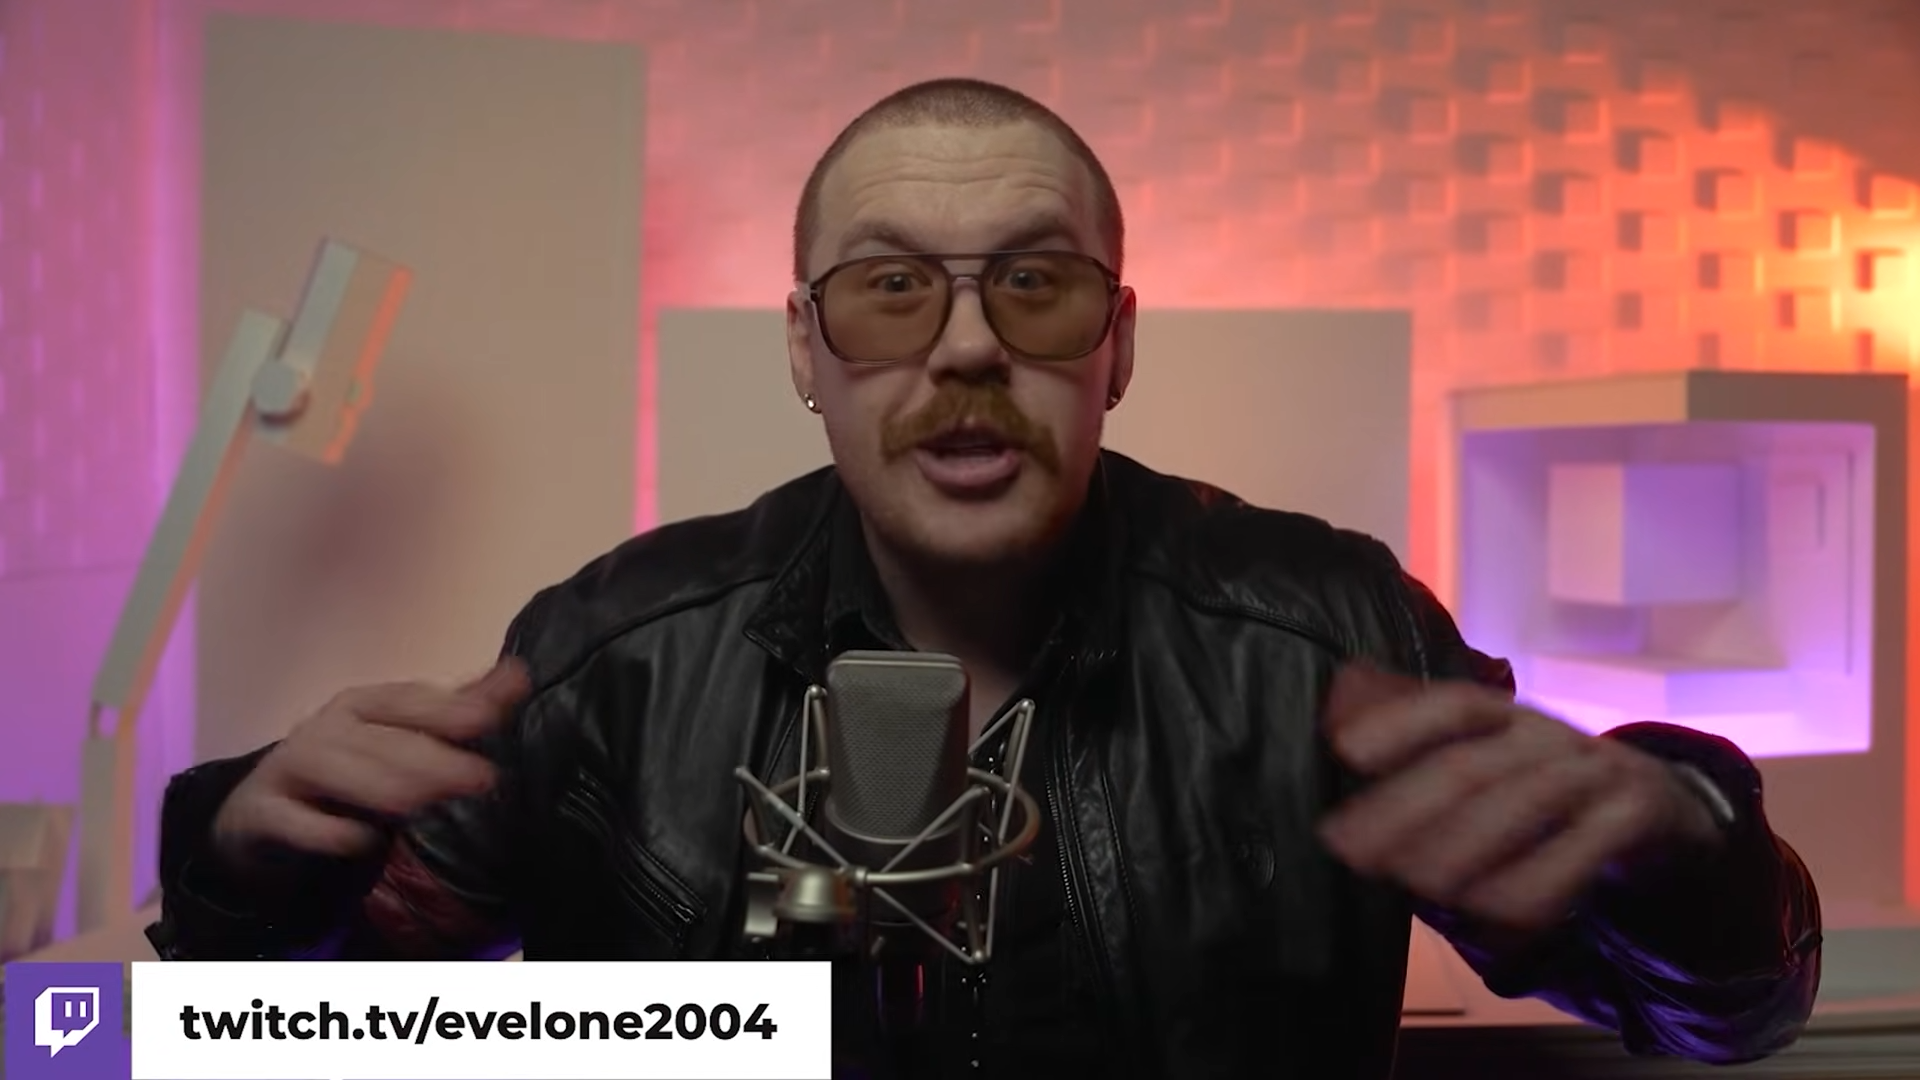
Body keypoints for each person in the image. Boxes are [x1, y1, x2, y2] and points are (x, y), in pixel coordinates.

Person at [147, 77, 1821, 1078]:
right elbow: (282, 1039)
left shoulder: (1325, 639)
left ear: (1115, 346)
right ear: (804, 351)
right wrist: (239, 883)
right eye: (891, 291)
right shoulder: (617, 659)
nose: (963, 348)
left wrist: (1684, 844)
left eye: (1033, 285)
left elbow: (1728, 1018)